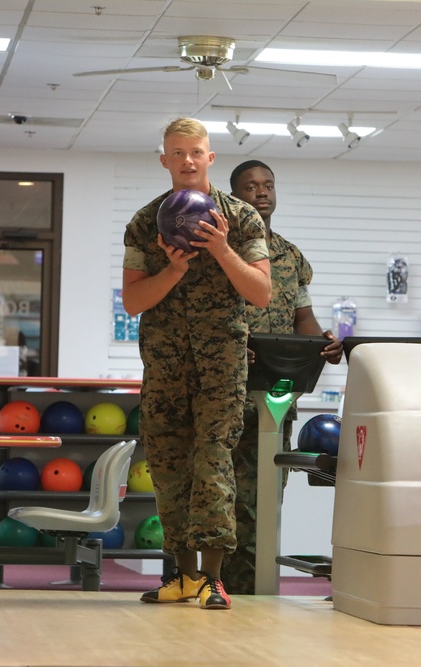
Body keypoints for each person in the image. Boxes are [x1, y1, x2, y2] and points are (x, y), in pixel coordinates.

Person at [121, 118, 272, 610]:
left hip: (221, 367)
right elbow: (133, 301)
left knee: (212, 465)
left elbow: (261, 293)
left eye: (197, 152)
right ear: (164, 160)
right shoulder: (146, 223)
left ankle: (212, 578)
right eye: (178, 152)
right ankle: (183, 577)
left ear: (211, 159)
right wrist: (175, 267)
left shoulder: (242, 218)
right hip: (165, 366)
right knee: (168, 468)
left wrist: (221, 249)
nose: (188, 160)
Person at [223, 160, 343, 594]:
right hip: (224, 394)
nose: (262, 193)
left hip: (275, 400)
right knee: (227, 498)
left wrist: (324, 345)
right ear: (233, 196)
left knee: (266, 498)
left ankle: (254, 591)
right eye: (251, 186)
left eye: (268, 185)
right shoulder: (219, 253)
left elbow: (303, 318)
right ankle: (225, 586)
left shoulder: (291, 258)